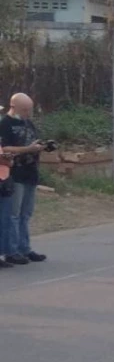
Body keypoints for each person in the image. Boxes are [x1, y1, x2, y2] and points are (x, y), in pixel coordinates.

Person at [0, 93, 48, 266]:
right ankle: (11, 251)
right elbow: (4, 148)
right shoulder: (5, 124)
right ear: (13, 107)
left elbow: (32, 142)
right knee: (13, 214)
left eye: (30, 109)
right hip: (15, 173)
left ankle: (24, 248)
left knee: (26, 214)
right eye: (24, 110)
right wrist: (28, 149)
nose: (28, 113)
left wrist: (41, 147)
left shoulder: (28, 123)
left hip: (30, 172)